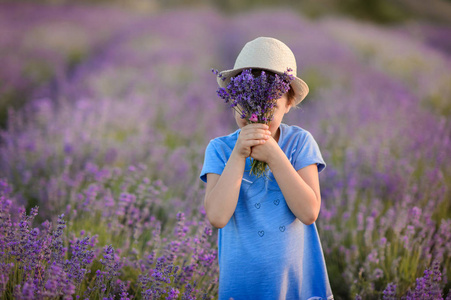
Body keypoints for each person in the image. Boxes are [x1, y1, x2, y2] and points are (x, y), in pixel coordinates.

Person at [200, 37, 334, 300]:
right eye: (246, 103)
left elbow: (309, 212)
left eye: (268, 106)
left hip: (296, 284)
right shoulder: (220, 149)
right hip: (243, 285)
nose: (255, 115)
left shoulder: (299, 143)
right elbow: (217, 216)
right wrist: (239, 155)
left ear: (289, 104)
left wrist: (275, 156)